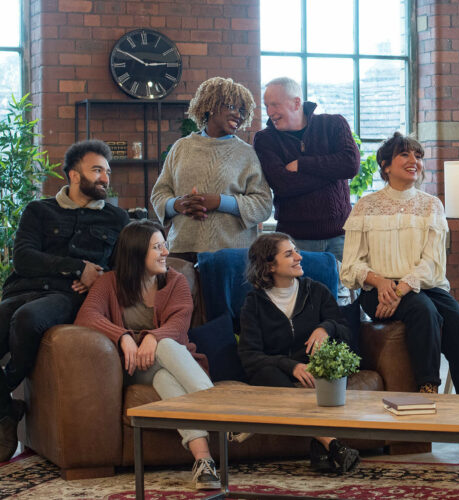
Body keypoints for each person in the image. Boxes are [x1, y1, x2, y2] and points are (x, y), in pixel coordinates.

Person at [0, 140, 129, 462]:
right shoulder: (38, 210)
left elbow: (120, 268)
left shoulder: (117, 219)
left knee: (28, 320)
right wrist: (78, 267)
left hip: (67, 297)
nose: (104, 178)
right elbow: (23, 259)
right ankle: (7, 409)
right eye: (96, 170)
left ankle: (7, 383)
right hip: (23, 288)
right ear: (73, 175)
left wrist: (99, 278)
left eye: (107, 172)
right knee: (18, 313)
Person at [73, 220, 221, 490]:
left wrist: (153, 337)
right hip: (132, 369)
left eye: (165, 245)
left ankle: (204, 462)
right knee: (162, 350)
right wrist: (123, 336)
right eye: (157, 247)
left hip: (170, 365)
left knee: (165, 375)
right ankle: (225, 412)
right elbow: (86, 316)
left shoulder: (176, 281)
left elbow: (179, 323)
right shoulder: (109, 283)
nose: (165, 252)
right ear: (135, 253)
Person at [340, 132, 459, 395]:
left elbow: (433, 263)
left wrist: (401, 288)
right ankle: (428, 388)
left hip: (426, 286)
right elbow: (349, 267)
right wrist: (383, 283)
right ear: (385, 165)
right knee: (422, 310)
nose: (414, 161)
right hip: (377, 291)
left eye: (418, 156)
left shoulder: (432, 205)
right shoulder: (365, 206)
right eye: (405, 154)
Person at [238, 232, 360, 473]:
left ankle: (321, 449)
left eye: (295, 251)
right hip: (277, 375)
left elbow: (346, 332)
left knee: (327, 377)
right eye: (289, 254)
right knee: (266, 377)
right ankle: (330, 442)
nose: (299, 257)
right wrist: (290, 366)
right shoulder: (253, 303)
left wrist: (326, 328)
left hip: (314, 373)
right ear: (270, 265)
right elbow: (249, 355)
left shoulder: (317, 291)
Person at [151, 76, 273, 261]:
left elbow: (263, 204)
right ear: (210, 106)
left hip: (231, 256)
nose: (238, 115)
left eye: (242, 111)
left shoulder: (247, 154)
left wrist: (219, 202)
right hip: (182, 252)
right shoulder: (181, 147)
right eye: (231, 107)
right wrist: (177, 205)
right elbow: (159, 193)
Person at [253, 77, 360, 261]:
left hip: (341, 236)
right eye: (266, 106)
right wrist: (332, 172)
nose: (270, 112)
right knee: (300, 290)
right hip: (294, 241)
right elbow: (283, 184)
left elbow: (350, 164)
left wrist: (302, 165)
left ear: (296, 103)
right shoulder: (265, 139)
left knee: (343, 290)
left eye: (275, 105)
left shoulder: (334, 124)